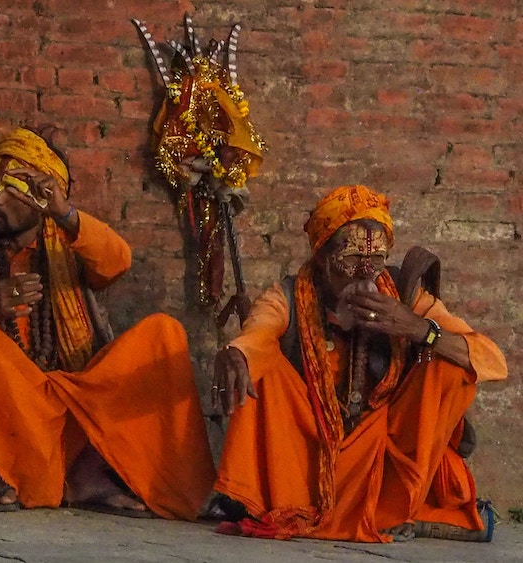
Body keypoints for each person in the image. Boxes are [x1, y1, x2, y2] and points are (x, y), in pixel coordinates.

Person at [0, 126, 216, 517]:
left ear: (40, 200)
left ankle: (83, 479)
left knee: (163, 334)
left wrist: (65, 214)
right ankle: (7, 472)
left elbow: (117, 261)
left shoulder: (71, 245)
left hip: (67, 415)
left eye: (12, 190)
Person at [212, 184, 507, 542]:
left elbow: (492, 360)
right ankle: (283, 498)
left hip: (383, 459)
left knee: (452, 364)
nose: (365, 274)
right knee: (259, 362)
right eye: (351, 259)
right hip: (311, 455)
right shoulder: (289, 295)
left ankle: (394, 506)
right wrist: (238, 352)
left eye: (377, 260)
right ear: (322, 258)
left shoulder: (405, 296)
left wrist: (418, 329)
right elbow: (259, 330)